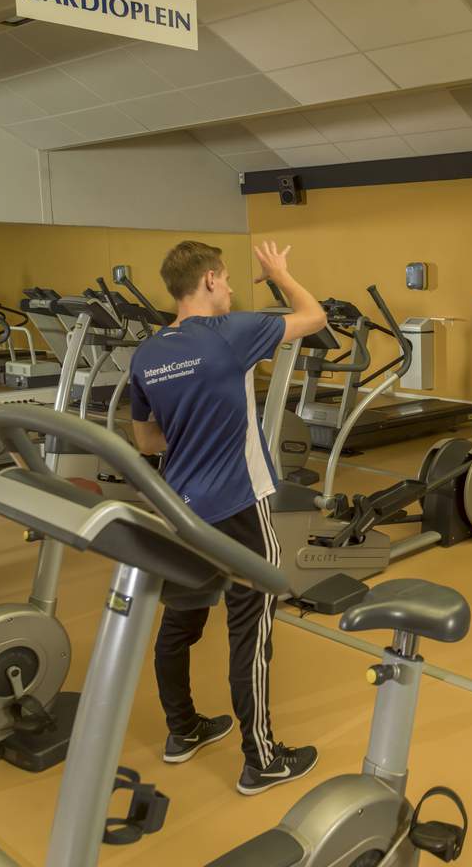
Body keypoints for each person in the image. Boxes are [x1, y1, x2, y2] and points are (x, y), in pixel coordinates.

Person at [129, 239, 327, 795]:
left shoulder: (147, 353)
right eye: (229, 282)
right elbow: (314, 317)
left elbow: (145, 438)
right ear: (212, 280)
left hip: (178, 507)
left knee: (180, 622)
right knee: (251, 629)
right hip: (241, 504)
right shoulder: (230, 332)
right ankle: (261, 760)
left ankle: (182, 729)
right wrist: (280, 272)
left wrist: (193, 435)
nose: (234, 291)